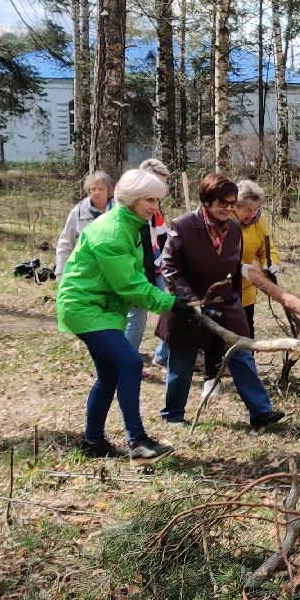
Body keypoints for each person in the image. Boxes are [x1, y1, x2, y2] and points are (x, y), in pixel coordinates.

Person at [56, 168, 193, 460]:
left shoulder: (130, 224)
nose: (155, 207)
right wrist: (170, 304)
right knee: (131, 363)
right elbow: (129, 285)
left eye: (157, 200)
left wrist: (169, 299)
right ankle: (138, 441)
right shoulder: (113, 231)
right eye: (150, 200)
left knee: (108, 376)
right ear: (131, 199)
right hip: (85, 307)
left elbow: (136, 276)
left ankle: (92, 442)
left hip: (102, 307)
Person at [157, 173, 300, 429]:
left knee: (242, 354)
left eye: (231, 203)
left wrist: (249, 292)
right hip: (189, 304)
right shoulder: (183, 225)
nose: (227, 209)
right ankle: (173, 415)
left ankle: (261, 412)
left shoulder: (234, 229)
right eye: (222, 203)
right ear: (207, 202)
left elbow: (236, 266)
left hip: (227, 301)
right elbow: (169, 267)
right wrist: (191, 301)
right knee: (182, 360)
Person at [125, 158, 172, 372]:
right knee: (137, 315)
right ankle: (126, 361)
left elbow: (162, 237)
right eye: (157, 183)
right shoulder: (131, 208)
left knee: (173, 306)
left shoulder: (156, 208)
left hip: (159, 266)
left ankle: (162, 356)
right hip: (138, 269)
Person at [232, 179, 278, 338]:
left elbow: (267, 249)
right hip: (224, 292)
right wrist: (238, 267)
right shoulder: (224, 221)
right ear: (235, 207)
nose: (252, 214)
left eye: (256, 209)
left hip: (246, 292)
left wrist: (270, 264)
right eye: (247, 210)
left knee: (246, 334)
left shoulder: (259, 221)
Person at [54, 170, 115, 277]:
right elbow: (65, 243)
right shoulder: (78, 212)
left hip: (113, 269)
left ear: (108, 191)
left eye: (101, 189)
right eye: (93, 189)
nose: (96, 192)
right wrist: (60, 272)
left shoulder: (119, 211)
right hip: (84, 270)